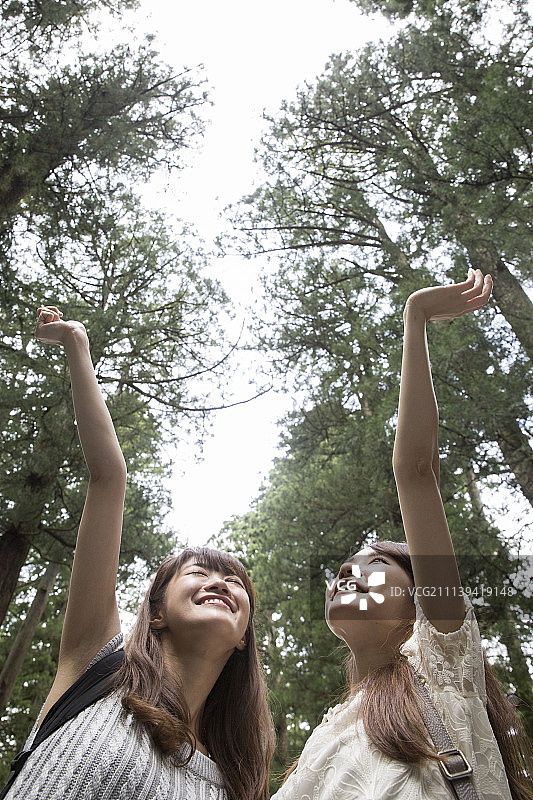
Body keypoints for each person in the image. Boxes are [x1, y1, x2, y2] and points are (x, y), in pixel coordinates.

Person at [272, 270, 533, 800]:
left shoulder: (441, 664)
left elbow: (415, 471)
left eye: (376, 563)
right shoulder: (323, 737)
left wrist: (414, 318)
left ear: (420, 598)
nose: (349, 569)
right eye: (345, 565)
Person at [5, 307, 274, 800]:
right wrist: (77, 346)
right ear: (155, 613)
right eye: (198, 573)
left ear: (243, 640)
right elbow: (108, 477)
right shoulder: (95, 667)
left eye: (234, 582)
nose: (219, 583)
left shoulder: (236, 786)